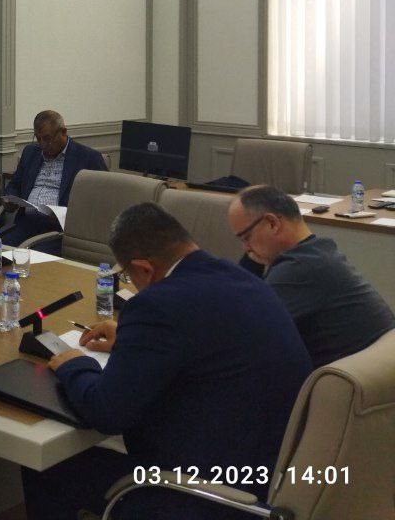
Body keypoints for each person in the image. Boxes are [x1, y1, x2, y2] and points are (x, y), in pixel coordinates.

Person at [28, 203, 312, 520]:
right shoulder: (242, 278)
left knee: (45, 467)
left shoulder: (156, 305)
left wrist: (74, 364)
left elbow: (106, 412)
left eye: (128, 275)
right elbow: (206, 340)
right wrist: (134, 341)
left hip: (206, 493)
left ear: (144, 269)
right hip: (273, 475)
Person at [229, 185, 394, 367]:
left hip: (345, 379)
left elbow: (237, 329)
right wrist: (254, 259)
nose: (246, 248)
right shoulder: (316, 253)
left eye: (246, 237)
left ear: (272, 223)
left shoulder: (298, 270)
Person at [0, 109, 107, 247]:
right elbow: (15, 184)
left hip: (59, 231)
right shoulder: (30, 152)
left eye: (47, 138)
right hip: (26, 224)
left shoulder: (87, 158)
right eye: (38, 138)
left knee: (34, 256)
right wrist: (9, 198)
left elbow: (99, 203)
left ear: (63, 132)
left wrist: (63, 215)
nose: (42, 145)